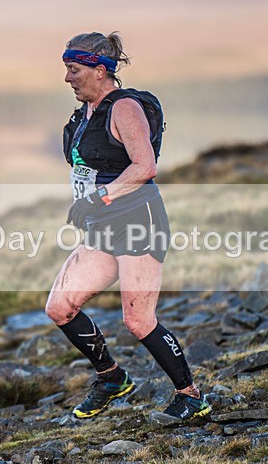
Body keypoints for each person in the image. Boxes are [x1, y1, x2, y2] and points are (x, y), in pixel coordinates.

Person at [44, 31, 211, 421]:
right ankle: (112, 378)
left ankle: (191, 396)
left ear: (100, 71)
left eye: (74, 69)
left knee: (137, 320)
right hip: (101, 228)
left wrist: (100, 198)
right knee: (60, 307)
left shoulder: (124, 108)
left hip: (139, 221)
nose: (67, 78)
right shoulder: (84, 113)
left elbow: (145, 167)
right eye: (67, 70)